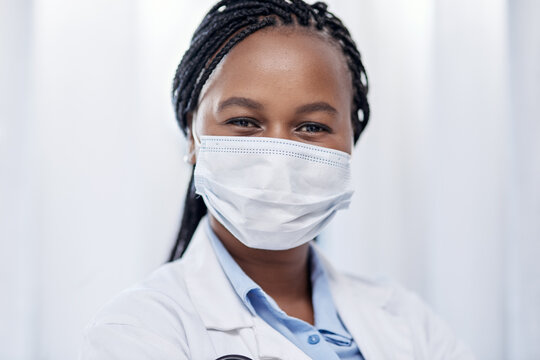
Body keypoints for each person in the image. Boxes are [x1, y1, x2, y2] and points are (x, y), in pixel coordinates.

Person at [80, 1, 475, 359]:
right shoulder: (139, 331)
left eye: (311, 126)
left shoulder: (408, 322)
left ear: (351, 143)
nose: (278, 158)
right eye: (243, 122)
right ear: (193, 137)